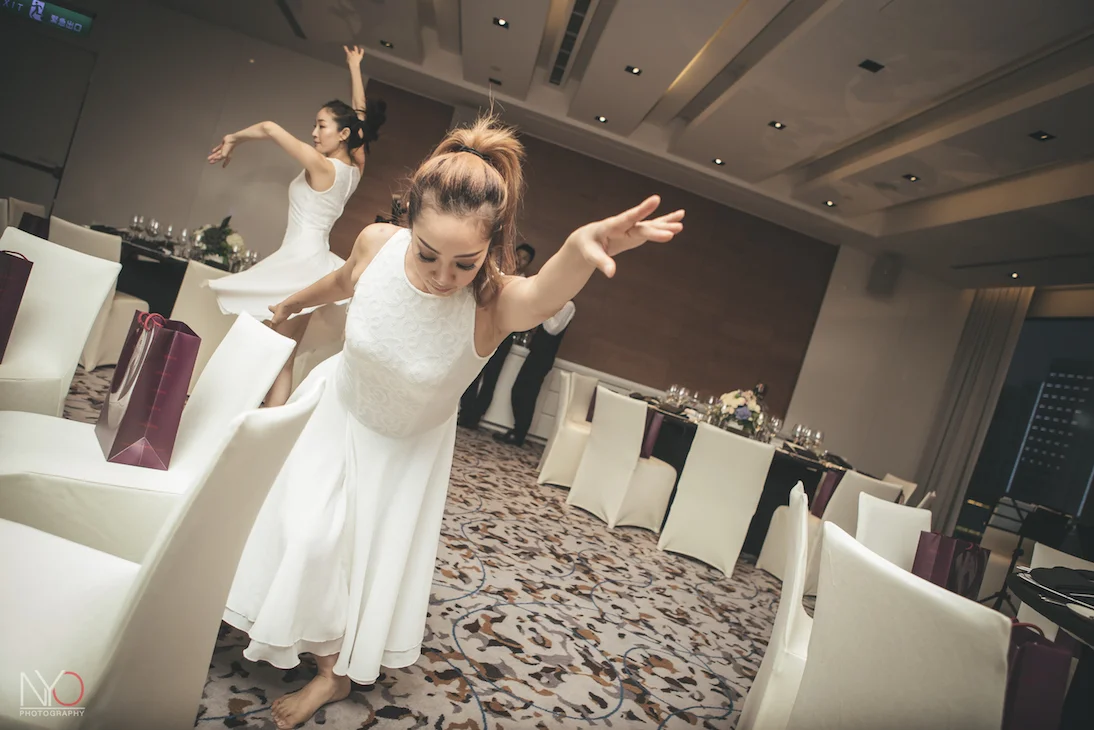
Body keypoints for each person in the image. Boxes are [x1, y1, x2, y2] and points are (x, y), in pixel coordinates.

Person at [222, 113, 685, 729]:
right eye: (428, 254)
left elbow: (544, 293)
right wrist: (290, 303)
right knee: (298, 530)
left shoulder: (494, 304)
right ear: (409, 222)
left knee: (348, 557)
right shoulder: (377, 243)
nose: (444, 277)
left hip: (401, 450)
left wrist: (579, 250)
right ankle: (268, 612)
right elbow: (341, 280)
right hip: (336, 407)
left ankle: (333, 672)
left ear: (491, 248)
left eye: (465, 263)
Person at [206, 45, 387, 407]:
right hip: (313, 266)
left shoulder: (323, 167)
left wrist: (234, 138)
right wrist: (355, 67)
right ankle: (259, 424)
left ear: (343, 134)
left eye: (321, 125)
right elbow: (360, 118)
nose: (314, 133)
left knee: (265, 350)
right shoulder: (355, 167)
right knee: (282, 357)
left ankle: (234, 414)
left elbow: (270, 128)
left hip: (298, 265)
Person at [457, 241, 535, 428]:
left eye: (525, 259)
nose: (519, 260)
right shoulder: (499, 276)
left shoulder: (525, 285)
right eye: (518, 255)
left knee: (491, 377)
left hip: (504, 335)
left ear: (528, 263)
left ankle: (476, 416)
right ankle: (465, 412)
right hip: (484, 328)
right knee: (473, 371)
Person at [494, 300, 575, 446]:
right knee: (519, 391)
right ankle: (517, 431)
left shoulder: (568, 306)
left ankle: (519, 434)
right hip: (536, 353)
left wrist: (544, 311)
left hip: (543, 357)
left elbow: (553, 329)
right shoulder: (558, 304)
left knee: (527, 395)